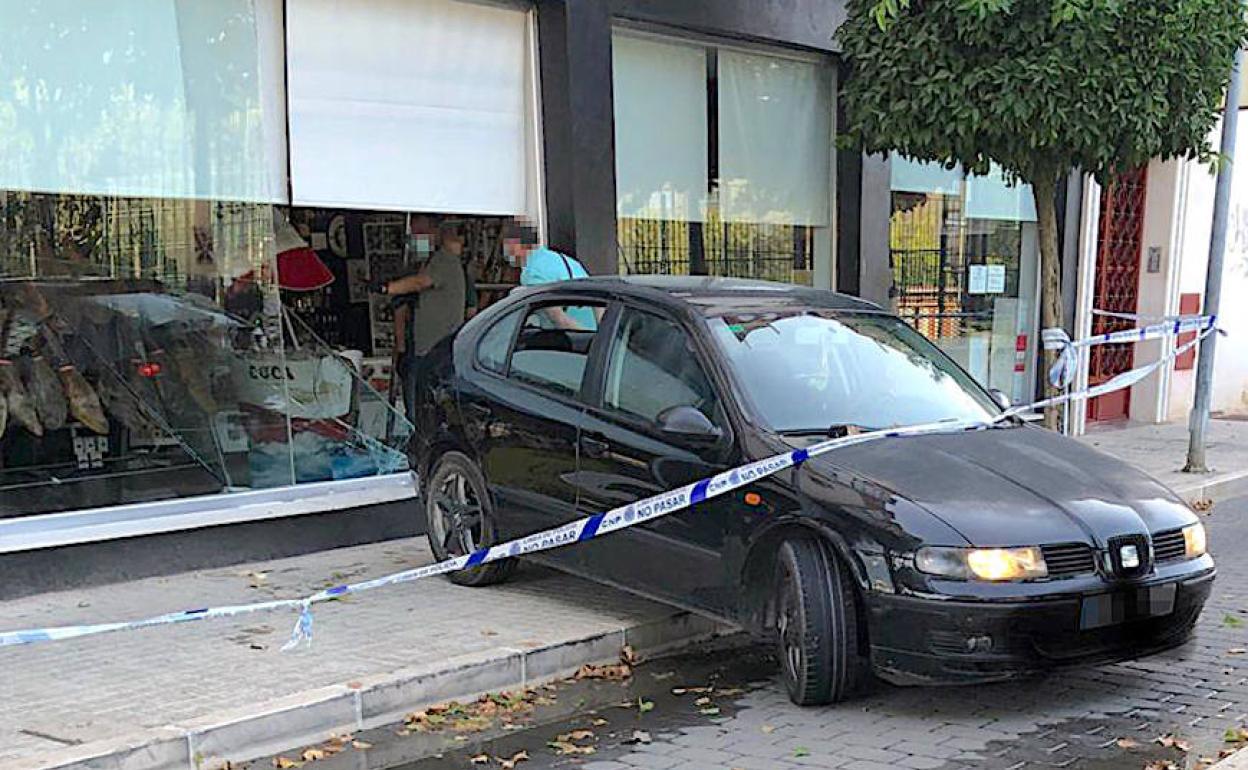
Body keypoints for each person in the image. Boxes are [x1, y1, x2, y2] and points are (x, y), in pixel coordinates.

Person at [379, 221, 466, 421]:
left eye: (421, 232)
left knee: (423, 408)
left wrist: (386, 288)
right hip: (425, 348)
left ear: (437, 232)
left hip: (434, 350)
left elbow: (420, 282)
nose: (416, 237)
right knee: (419, 405)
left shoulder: (444, 261)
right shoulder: (429, 264)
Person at [500, 220, 595, 329]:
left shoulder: (533, 272)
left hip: (574, 333)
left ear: (517, 244)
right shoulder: (562, 259)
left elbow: (558, 318)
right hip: (593, 328)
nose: (506, 252)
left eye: (508, 246)